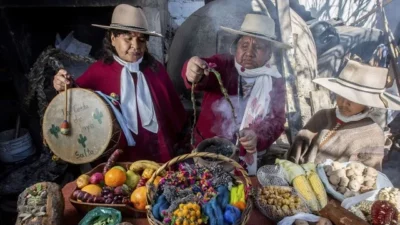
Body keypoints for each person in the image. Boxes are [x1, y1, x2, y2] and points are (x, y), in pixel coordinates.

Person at [53, 4, 187, 163]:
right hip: (117, 158)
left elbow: (174, 112)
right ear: (113, 39)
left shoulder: (156, 69)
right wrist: (63, 86)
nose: (135, 47)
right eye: (128, 39)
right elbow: (78, 100)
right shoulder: (98, 72)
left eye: (141, 40)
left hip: (158, 153)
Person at [181, 13, 291, 170]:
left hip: (243, 160)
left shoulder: (275, 81)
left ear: (269, 53)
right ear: (236, 47)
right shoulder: (223, 64)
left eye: (258, 47)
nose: (249, 52)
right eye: (244, 45)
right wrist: (193, 70)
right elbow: (203, 69)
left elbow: (277, 121)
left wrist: (257, 136)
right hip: (208, 151)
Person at [287, 59, 400, 170]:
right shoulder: (322, 116)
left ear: (368, 103)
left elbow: (368, 175)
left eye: (353, 99)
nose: (344, 103)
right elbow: (296, 150)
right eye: (341, 95)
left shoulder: (373, 135)